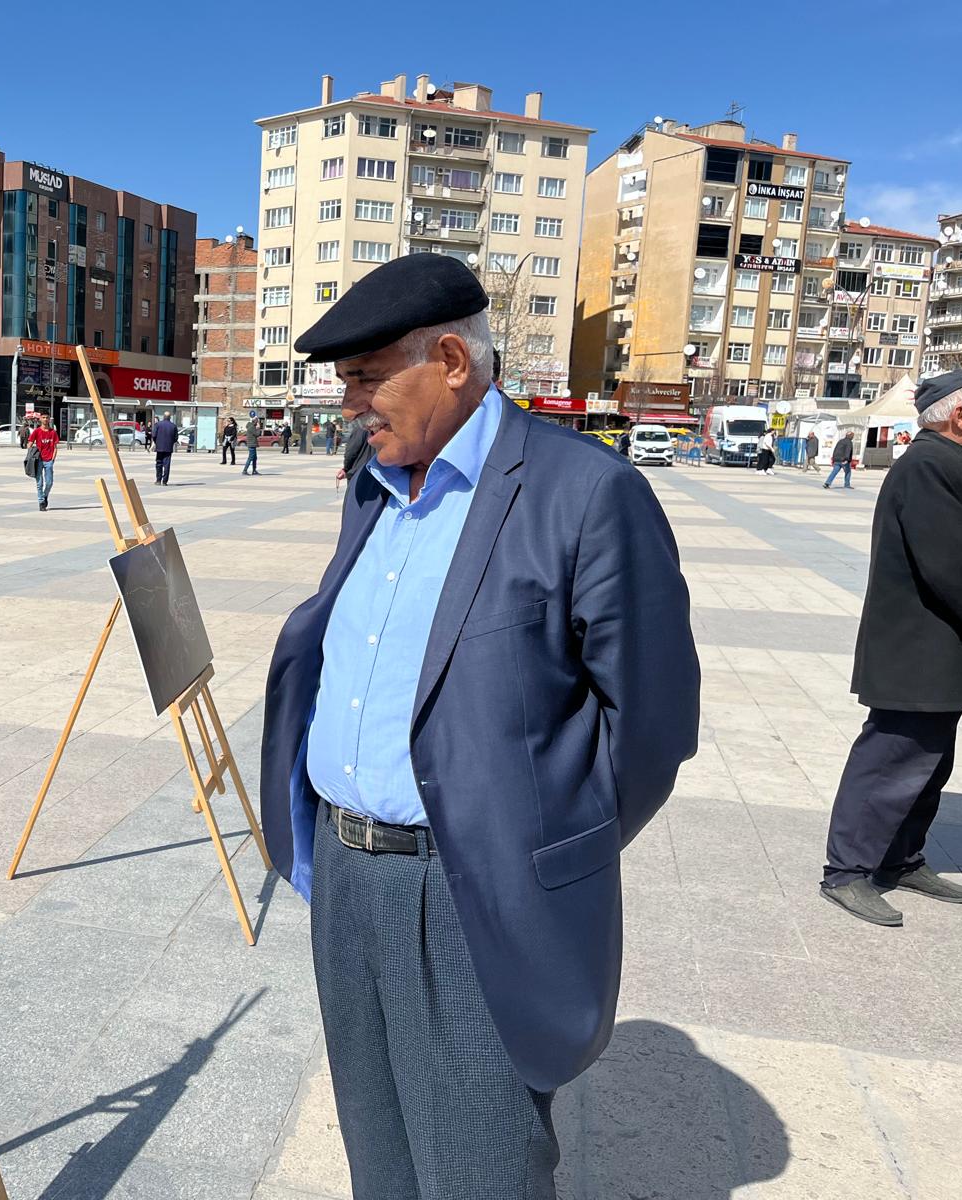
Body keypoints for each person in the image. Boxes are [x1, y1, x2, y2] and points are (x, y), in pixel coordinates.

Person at [258, 253, 699, 1198]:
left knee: (477, 1164)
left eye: (368, 378)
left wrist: (531, 848)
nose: (350, 406)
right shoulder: (372, 481)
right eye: (345, 384)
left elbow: (652, 727)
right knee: (379, 1155)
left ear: (452, 359)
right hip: (344, 877)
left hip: (465, 891)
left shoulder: (584, 492)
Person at [820, 368, 962, 926]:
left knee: (930, 761)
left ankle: (900, 858)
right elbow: (954, 569)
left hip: (944, 649)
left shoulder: (955, 463)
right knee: (891, 760)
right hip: (917, 647)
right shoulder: (931, 467)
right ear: (959, 414)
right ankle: (847, 872)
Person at [28, 411, 60, 510]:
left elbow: (55, 447)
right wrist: (31, 450)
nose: (45, 419)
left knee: (49, 482)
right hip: (38, 460)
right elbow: (29, 443)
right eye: (43, 417)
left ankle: (45, 496)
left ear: (49, 419)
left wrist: (53, 459)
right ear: (40, 419)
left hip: (49, 460)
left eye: (47, 417)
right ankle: (41, 502)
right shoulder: (37, 431)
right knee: (39, 483)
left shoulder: (53, 432)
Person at [152, 410, 179, 485]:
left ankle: (158, 480)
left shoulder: (158, 424)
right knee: (167, 465)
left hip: (159, 448)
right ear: (170, 417)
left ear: (163, 417)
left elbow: (154, 435)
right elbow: (176, 438)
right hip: (168, 448)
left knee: (158, 463)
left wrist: (157, 442)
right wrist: (170, 443)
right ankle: (164, 481)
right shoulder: (173, 426)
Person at [243, 411, 262, 476]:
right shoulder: (251, 427)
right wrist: (259, 428)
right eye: (257, 421)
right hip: (251, 444)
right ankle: (245, 470)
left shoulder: (251, 426)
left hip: (252, 444)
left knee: (254, 458)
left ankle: (254, 470)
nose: (258, 422)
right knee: (250, 457)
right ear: (255, 421)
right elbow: (257, 434)